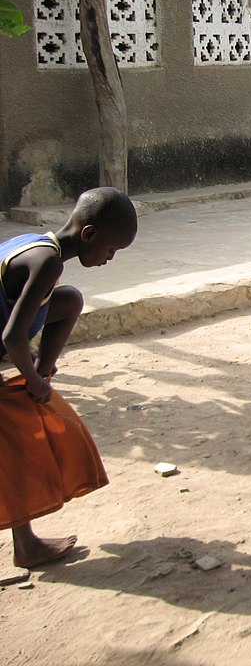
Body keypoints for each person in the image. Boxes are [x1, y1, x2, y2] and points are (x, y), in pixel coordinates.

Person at [0, 187, 137, 567]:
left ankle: (41, 371)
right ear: (89, 234)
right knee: (18, 443)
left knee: (70, 299)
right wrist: (34, 382)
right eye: (111, 250)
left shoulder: (35, 245)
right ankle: (26, 545)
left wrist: (39, 368)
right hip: (5, 342)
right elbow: (11, 337)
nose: (110, 258)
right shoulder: (48, 263)